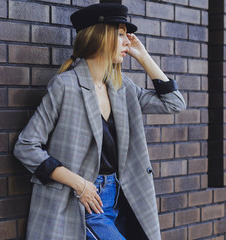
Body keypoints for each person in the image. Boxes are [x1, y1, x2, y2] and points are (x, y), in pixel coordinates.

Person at [14, 3, 186, 240]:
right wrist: (80, 184)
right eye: (121, 35)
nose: (128, 42)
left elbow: (174, 103)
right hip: (80, 202)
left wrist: (143, 55)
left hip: (119, 197)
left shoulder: (122, 87)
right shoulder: (66, 86)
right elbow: (26, 146)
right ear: (100, 37)